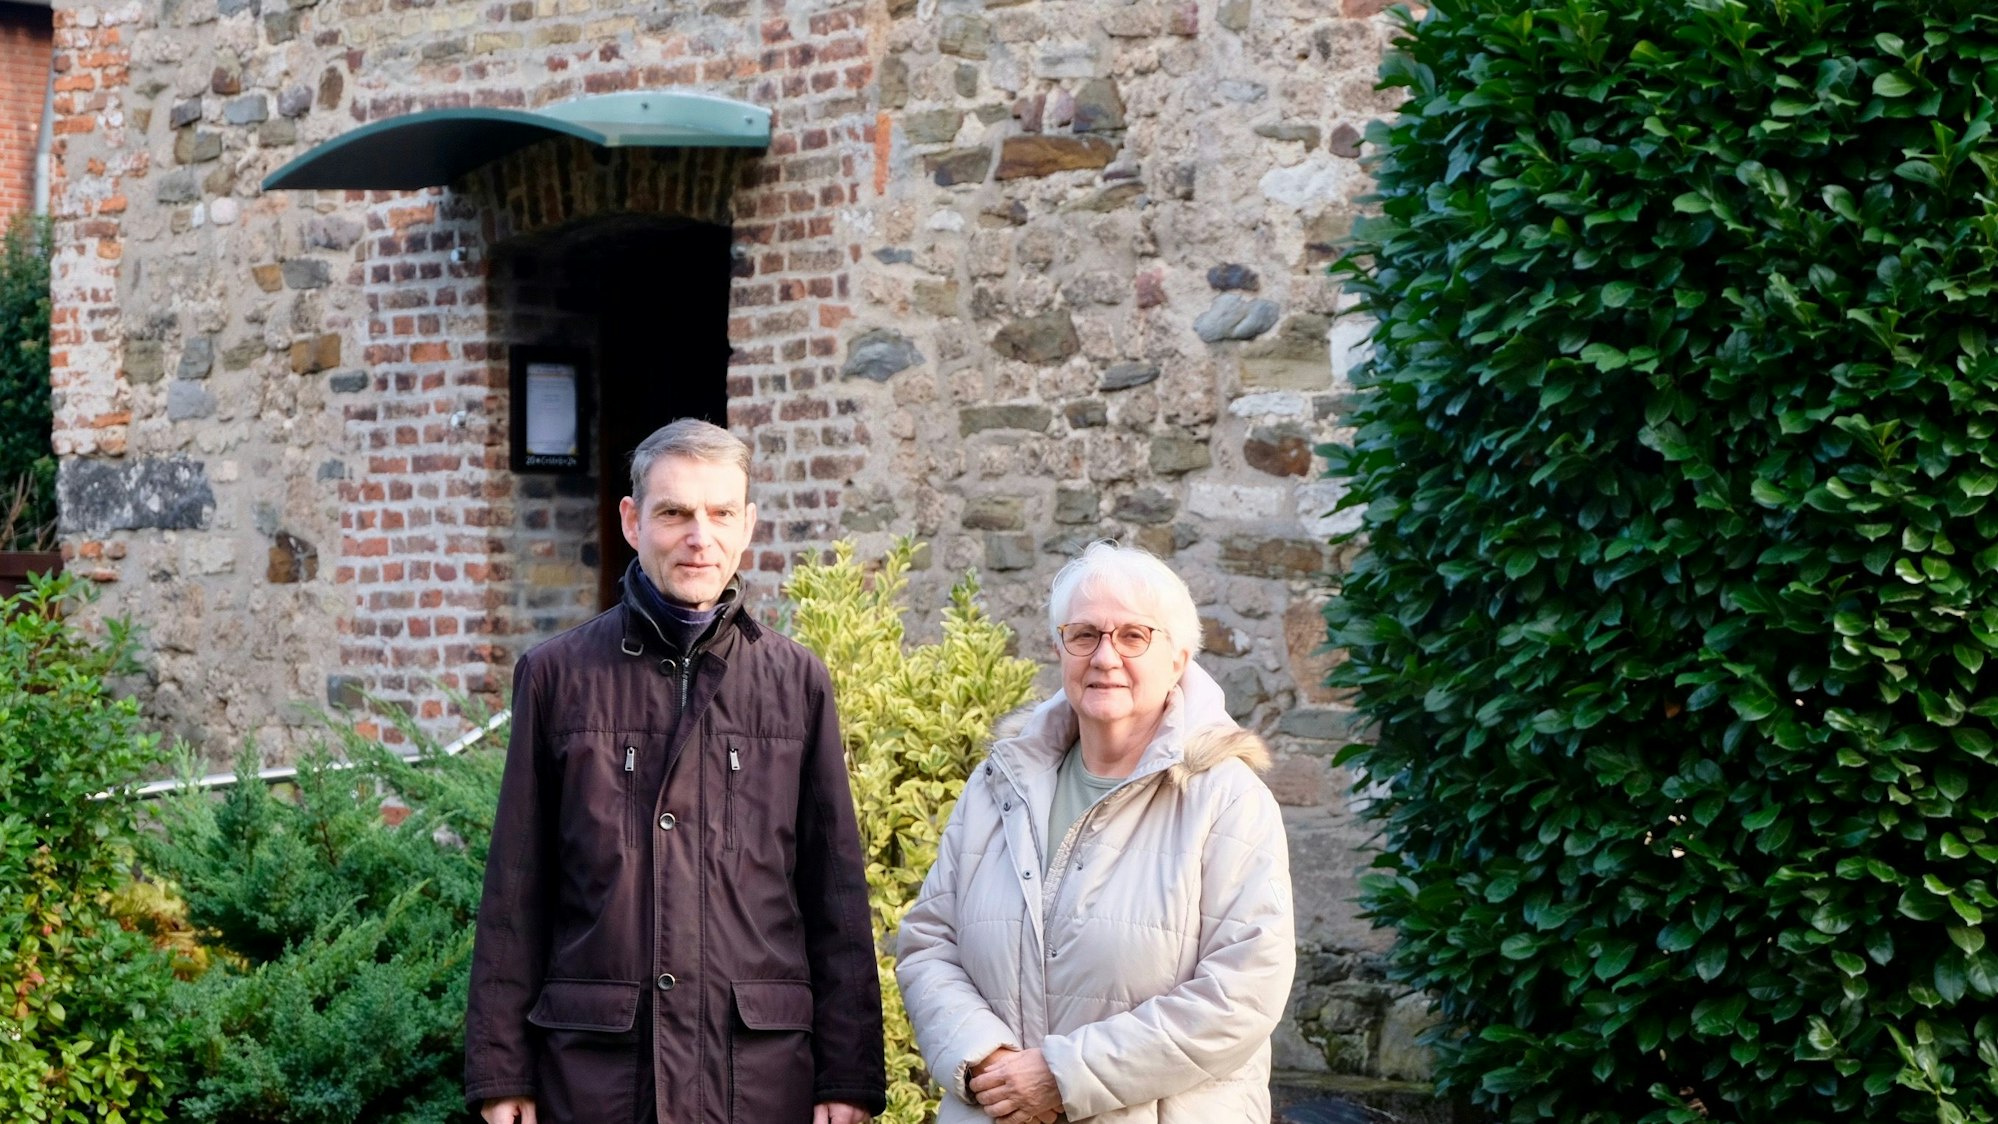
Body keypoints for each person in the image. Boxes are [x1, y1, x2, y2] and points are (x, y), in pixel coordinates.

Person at [464, 418, 885, 1124]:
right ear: (632, 521)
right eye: (674, 513)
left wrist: (848, 1076)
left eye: (721, 514)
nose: (700, 537)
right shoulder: (557, 678)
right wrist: (501, 1071)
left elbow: (834, 895)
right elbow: (516, 889)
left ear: (747, 525)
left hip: (756, 1081)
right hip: (598, 1080)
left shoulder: (796, 683)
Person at [896, 542, 1295, 1124]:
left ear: (1180, 659)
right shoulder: (997, 786)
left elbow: (1242, 991)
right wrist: (986, 1059)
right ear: (1060, 648)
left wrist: (1062, 1077)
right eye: (1084, 635)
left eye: (1134, 636)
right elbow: (930, 942)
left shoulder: (1226, 800)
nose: (1105, 657)